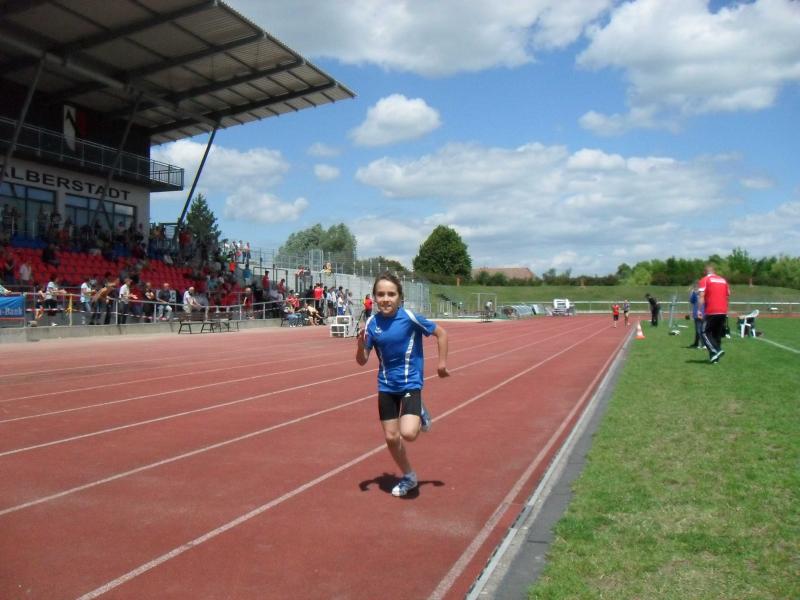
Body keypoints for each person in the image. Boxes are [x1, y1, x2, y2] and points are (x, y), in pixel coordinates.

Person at [355, 272, 449, 498]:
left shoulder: (409, 317)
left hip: (410, 383)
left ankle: (420, 412)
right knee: (390, 438)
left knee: (408, 434)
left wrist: (441, 364)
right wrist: (359, 345)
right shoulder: (371, 323)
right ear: (374, 297)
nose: (386, 299)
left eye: (391, 294)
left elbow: (441, 333)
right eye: (381, 294)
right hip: (386, 386)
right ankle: (409, 475)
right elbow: (362, 360)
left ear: (399, 297)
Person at [698, 265, 730, 363]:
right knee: (716, 334)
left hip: (712, 310)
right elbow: (728, 295)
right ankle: (715, 358)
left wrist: (699, 310)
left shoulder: (704, 280)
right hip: (723, 311)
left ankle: (717, 350)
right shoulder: (723, 280)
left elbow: (701, 296)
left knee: (704, 331)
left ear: (705, 272)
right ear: (714, 271)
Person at [688, 283, 704, 349]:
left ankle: (702, 344)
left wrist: (691, 293)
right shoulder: (699, 294)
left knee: (699, 330)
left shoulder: (697, 294)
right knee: (698, 330)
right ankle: (696, 343)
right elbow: (691, 301)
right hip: (700, 313)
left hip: (700, 313)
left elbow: (691, 301)